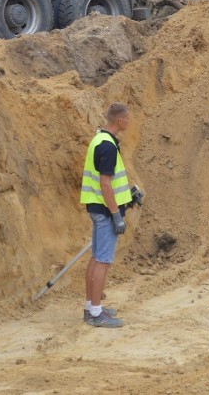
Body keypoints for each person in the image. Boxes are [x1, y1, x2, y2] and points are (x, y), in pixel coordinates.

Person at [80, 102, 132, 328]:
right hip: (105, 211)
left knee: (96, 258)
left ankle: (91, 307)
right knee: (103, 260)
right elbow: (105, 184)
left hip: (97, 208)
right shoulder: (108, 146)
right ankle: (95, 312)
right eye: (127, 119)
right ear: (120, 121)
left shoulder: (99, 140)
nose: (129, 122)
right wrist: (116, 215)